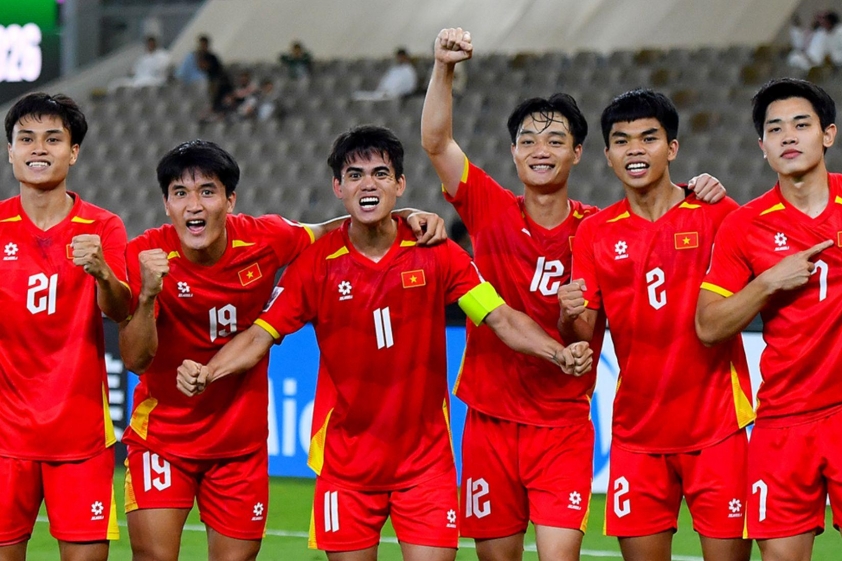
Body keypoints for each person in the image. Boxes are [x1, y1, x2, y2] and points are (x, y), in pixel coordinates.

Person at [176, 125, 594, 561]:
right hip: (346, 470)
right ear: (338, 188)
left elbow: (499, 317)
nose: (368, 184)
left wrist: (558, 352)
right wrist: (210, 371)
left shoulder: (436, 252)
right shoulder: (316, 264)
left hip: (426, 469)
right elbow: (260, 335)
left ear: (400, 184)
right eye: (355, 175)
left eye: (380, 173)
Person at [421, 28, 727, 561]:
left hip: (564, 422)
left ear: (580, 152)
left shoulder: (597, 229)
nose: (540, 151)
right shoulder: (490, 208)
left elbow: (659, 227)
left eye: (555, 140)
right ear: (513, 152)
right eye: (527, 141)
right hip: (491, 418)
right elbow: (437, 143)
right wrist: (444, 67)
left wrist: (696, 190)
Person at [118, 139, 448, 561]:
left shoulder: (268, 239)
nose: (194, 205)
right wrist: (148, 295)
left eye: (207, 191)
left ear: (230, 200)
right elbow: (135, 360)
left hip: (240, 445)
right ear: (166, 204)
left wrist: (407, 215)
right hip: (163, 438)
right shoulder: (145, 254)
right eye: (180, 193)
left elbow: (336, 228)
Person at [559, 89, 753, 561]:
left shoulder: (717, 214)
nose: (635, 150)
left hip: (718, 428)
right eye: (621, 141)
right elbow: (582, 337)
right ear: (607, 155)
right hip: (637, 437)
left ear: (673, 148)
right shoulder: (594, 233)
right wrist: (567, 315)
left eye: (649, 138)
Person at [696, 78, 842, 561]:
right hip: (783, 421)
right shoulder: (744, 226)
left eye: (801, 125)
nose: (788, 137)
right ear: (761, 146)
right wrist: (767, 283)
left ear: (828, 134)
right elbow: (708, 326)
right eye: (775, 129)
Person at [0, 93, 130, 560]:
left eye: (53, 139)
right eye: (26, 139)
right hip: (4, 438)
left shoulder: (103, 227)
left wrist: (103, 273)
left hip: (81, 437)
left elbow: (121, 310)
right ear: (11, 151)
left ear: (73, 152)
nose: (39, 148)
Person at [353, 48, 418, 101]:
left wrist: (394, 93)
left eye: (401, 57)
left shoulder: (409, 71)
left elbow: (409, 87)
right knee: (357, 95)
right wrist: (383, 90)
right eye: (398, 57)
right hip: (383, 93)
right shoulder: (394, 69)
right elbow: (385, 82)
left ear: (405, 57)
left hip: (396, 95)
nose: (399, 59)